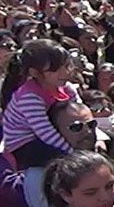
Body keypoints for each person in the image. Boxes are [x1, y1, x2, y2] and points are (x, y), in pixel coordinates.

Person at [1, 38, 77, 166]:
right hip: (24, 142)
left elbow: (80, 112)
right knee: (58, 158)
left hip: (54, 132)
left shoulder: (67, 88)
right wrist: (73, 153)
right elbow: (45, 132)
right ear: (34, 72)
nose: (66, 72)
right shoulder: (29, 97)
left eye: (66, 66)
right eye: (55, 69)